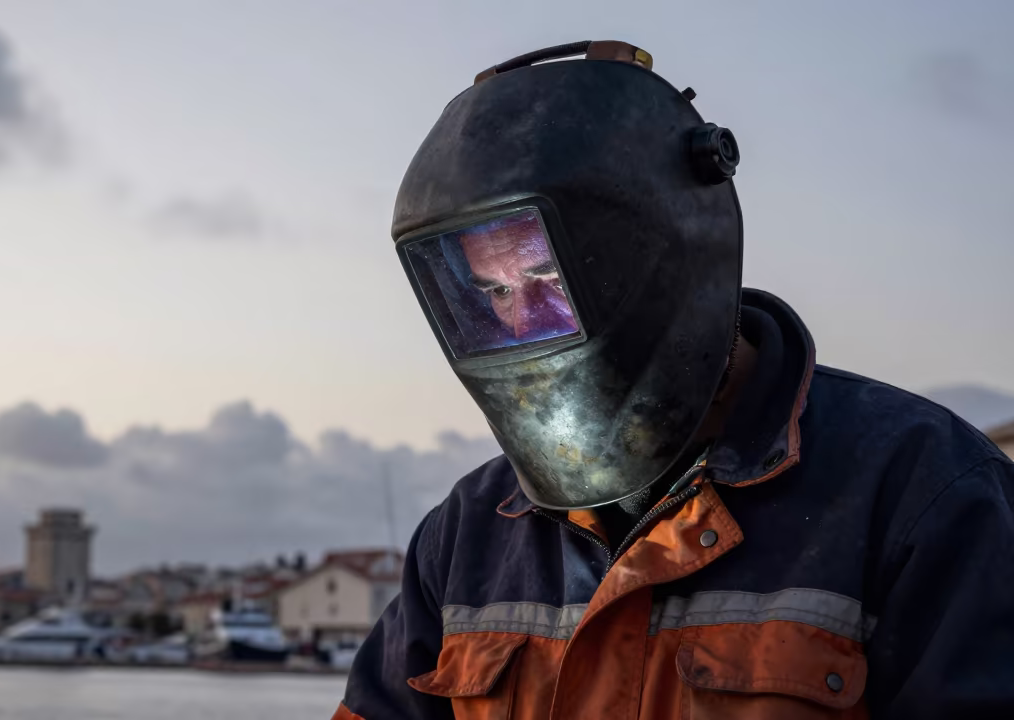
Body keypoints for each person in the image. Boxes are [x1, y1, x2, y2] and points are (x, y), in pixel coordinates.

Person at [334, 40, 1014, 720]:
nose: (523, 325)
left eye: (545, 277)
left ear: (658, 252)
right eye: (495, 294)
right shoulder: (469, 532)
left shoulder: (924, 492)